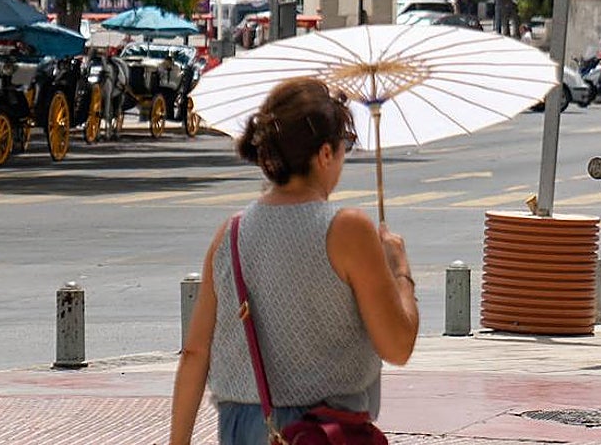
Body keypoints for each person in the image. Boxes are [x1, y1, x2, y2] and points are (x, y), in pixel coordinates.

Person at [168, 77, 419, 445]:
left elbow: (194, 353)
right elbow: (397, 346)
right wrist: (400, 271)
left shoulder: (230, 234)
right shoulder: (347, 229)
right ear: (325, 154)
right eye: (344, 145)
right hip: (323, 431)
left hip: (242, 427)